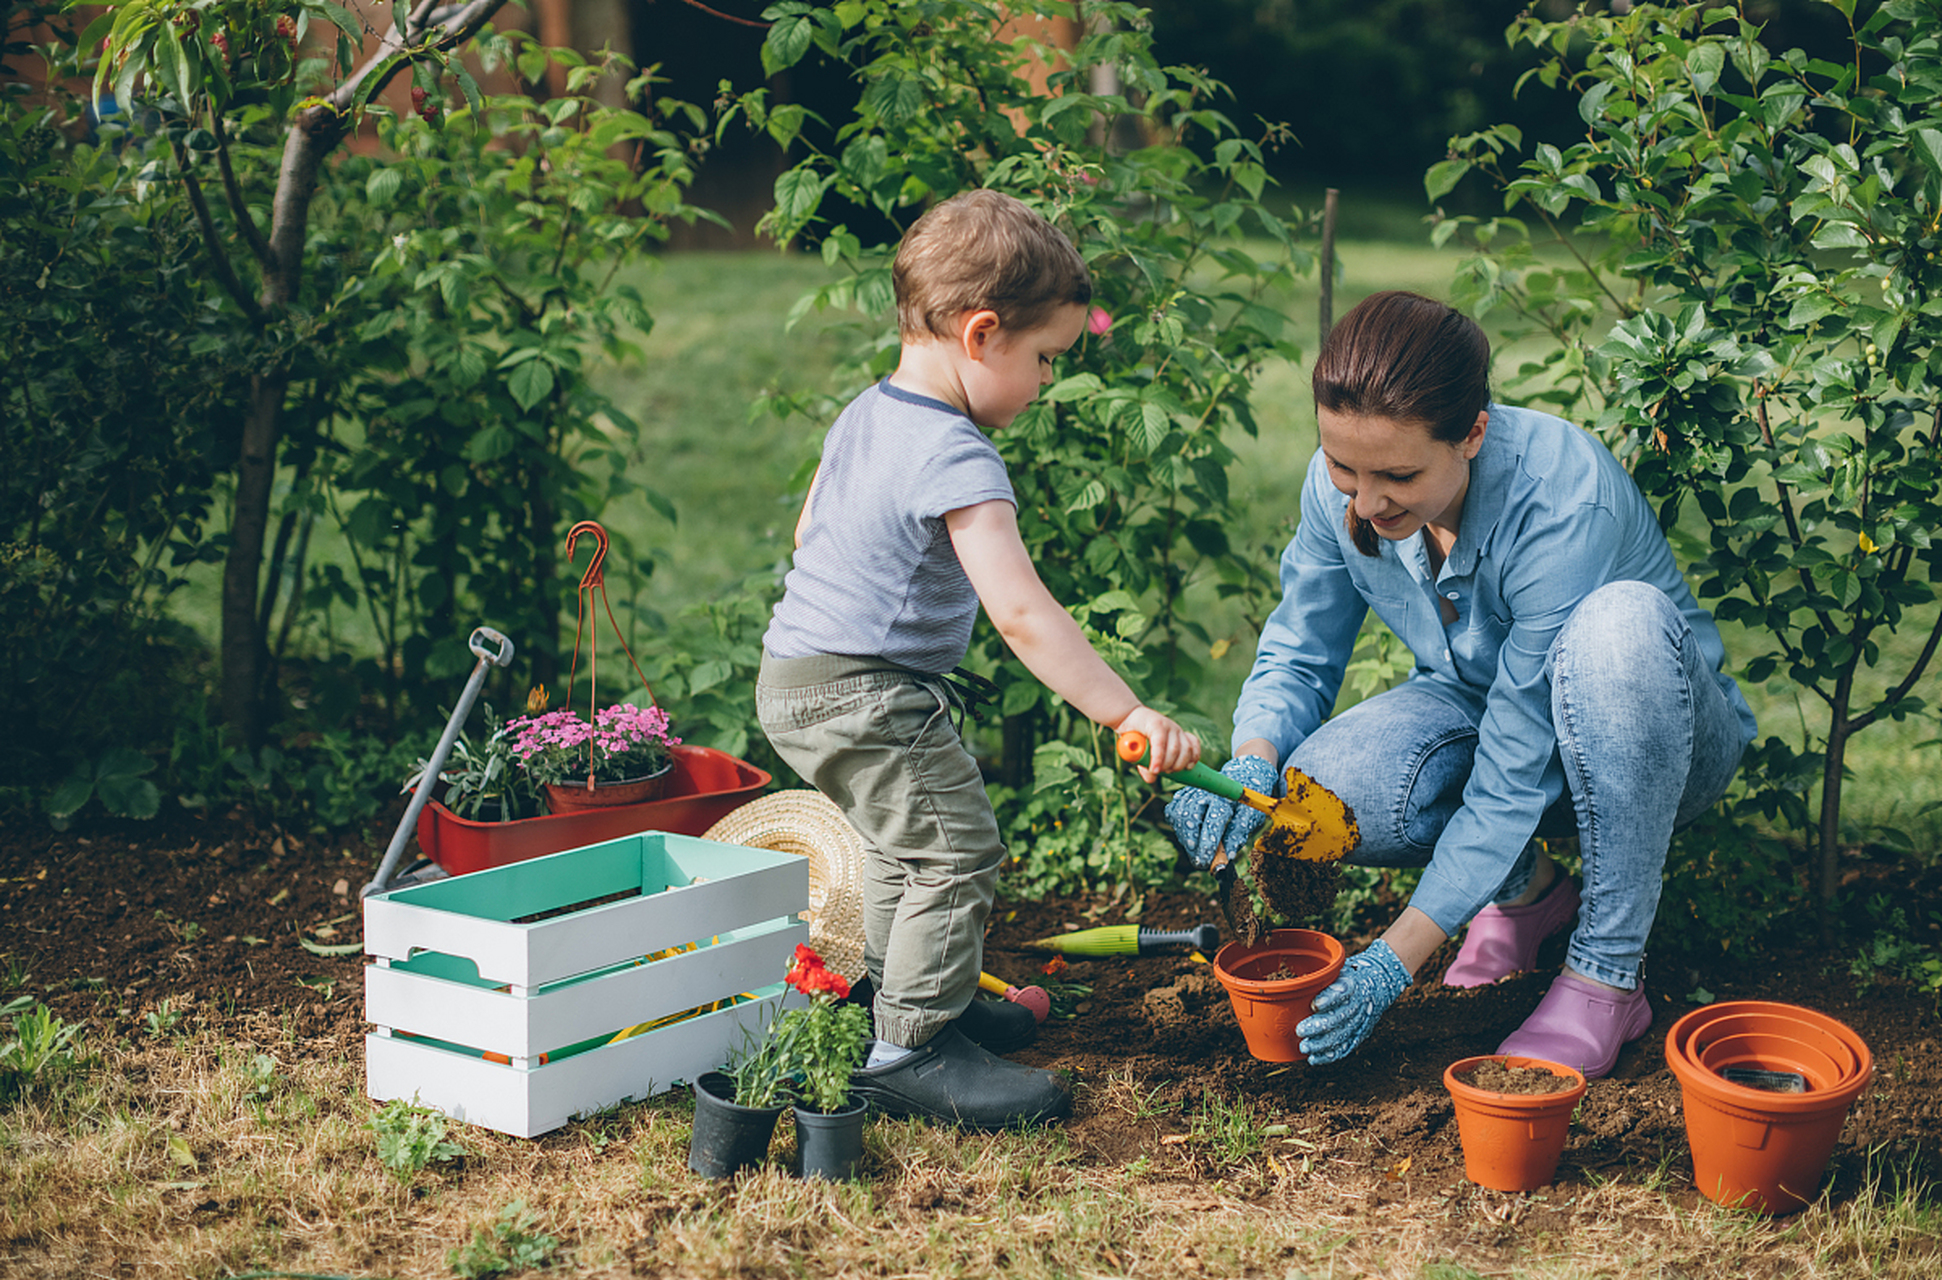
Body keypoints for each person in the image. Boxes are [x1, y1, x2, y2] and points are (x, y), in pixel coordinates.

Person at [1167, 290, 1756, 1078]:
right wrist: (1250, 761)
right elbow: (1301, 647)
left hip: (1652, 744)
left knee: (1620, 623)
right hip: (1486, 714)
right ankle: (1527, 895)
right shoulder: (1345, 489)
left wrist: (1394, 959)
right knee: (1331, 791)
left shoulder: (1560, 501)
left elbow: (1512, 767)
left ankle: (1607, 973)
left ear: (1472, 433)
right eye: (1343, 466)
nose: (1366, 503)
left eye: (1398, 475)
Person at [756, 189, 1201, 1129]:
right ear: (982, 334)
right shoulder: (957, 453)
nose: (1044, 383)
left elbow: (809, 529)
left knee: (900, 848)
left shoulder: (865, 415)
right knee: (955, 851)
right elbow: (1021, 610)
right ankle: (909, 1053)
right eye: (1043, 359)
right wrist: (1123, 712)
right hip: (865, 689)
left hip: (795, 675)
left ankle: (905, 997)